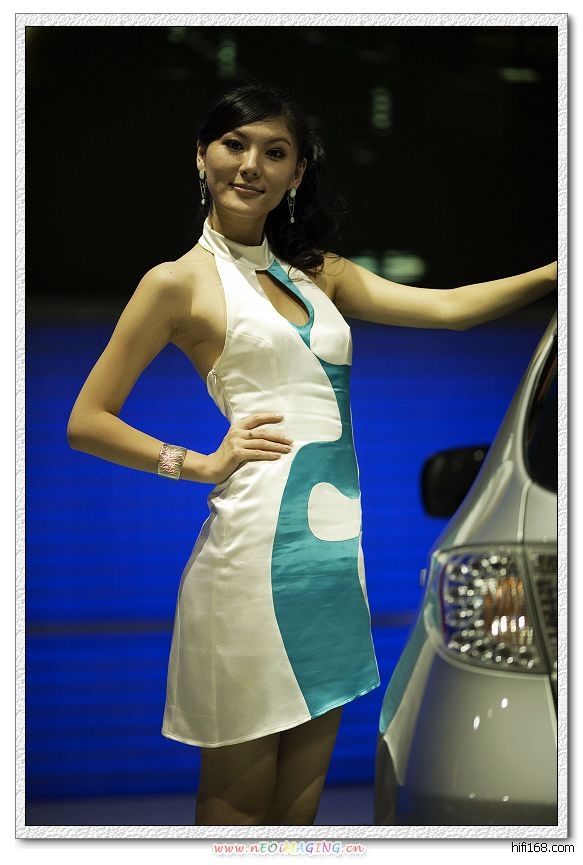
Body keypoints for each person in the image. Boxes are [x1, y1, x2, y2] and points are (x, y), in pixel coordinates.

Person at [67, 81, 557, 826]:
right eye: (234, 145)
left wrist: (559, 271)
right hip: (250, 561)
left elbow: (450, 309)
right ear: (201, 156)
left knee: (298, 815)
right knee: (237, 811)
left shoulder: (317, 272)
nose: (250, 165)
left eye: (275, 152)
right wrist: (195, 463)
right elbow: (87, 420)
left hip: (330, 563)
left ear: (296, 173)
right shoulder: (175, 283)